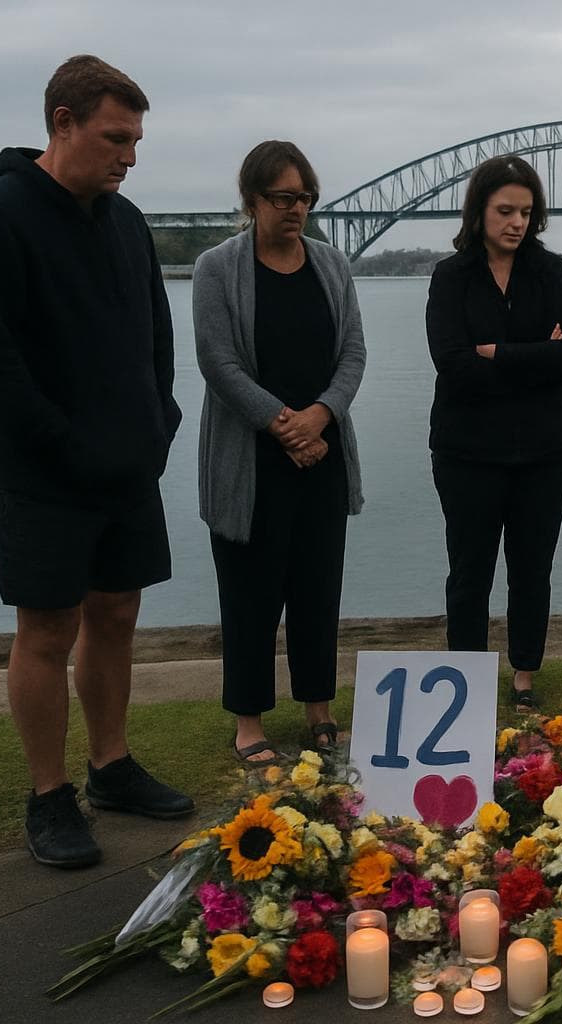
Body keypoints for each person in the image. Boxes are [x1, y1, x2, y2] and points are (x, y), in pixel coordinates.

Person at [0, 55, 192, 868]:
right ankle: (49, 794)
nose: (130, 156)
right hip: (40, 474)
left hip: (128, 467)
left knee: (117, 615)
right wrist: (66, 448)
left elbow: (155, 337)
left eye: (136, 141)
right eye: (116, 138)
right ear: (62, 123)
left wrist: (161, 423)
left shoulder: (125, 221)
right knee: (46, 630)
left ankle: (111, 766)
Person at [193, 141, 366, 763]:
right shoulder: (217, 267)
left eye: (305, 197)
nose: (297, 209)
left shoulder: (332, 265)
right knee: (249, 594)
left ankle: (319, 710)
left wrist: (320, 415)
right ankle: (249, 722)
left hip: (322, 456)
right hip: (251, 463)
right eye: (283, 198)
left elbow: (353, 353)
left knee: (318, 588)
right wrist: (281, 424)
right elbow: (218, 361)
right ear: (251, 200)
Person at [425, 155, 562, 709]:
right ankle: (465, 681)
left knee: (531, 567)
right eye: (505, 210)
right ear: (480, 211)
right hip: (467, 451)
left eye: (526, 211)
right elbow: (451, 363)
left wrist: (498, 354)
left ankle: (524, 676)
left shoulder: (552, 271)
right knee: (469, 571)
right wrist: (539, 357)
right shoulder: (451, 276)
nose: (517, 222)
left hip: (544, 450)